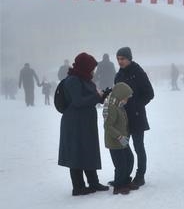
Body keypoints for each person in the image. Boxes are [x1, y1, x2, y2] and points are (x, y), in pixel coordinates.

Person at [58, 52, 110, 196]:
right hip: (74, 123)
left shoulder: (86, 79)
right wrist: (96, 96)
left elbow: (91, 98)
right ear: (84, 67)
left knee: (89, 150)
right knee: (76, 153)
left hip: (86, 123)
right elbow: (78, 101)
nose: (93, 71)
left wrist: (102, 96)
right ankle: (78, 187)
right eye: (91, 68)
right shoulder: (73, 80)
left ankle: (93, 182)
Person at [114, 47, 154, 187]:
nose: (120, 61)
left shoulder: (138, 72)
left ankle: (140, 175)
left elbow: (149, 93)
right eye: (118, 59)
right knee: (123, 146)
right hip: (122, 119)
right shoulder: (118, 75)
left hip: (137, 117)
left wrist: (136, 105)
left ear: (129, 58)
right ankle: (124, 175)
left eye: (123, 59)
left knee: (138, 147)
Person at [103, 82, 138, 195]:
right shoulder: (112, 107)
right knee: (120, 165)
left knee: (129, 159)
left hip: (123, 140)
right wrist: (119, 136)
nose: (127, 100)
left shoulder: (119, 105)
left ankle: (125, 181)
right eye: (126, 98)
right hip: (114, 141)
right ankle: (118, 186)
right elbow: (107, 126)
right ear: (120, 96)